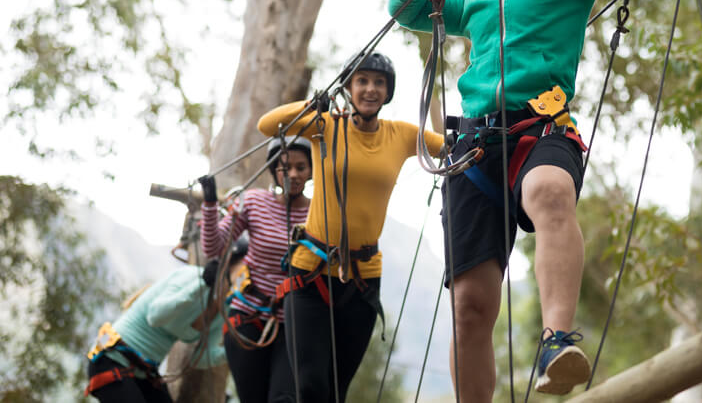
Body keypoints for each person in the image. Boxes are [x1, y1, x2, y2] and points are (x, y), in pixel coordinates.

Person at [388, 0, 700, 399]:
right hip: (474, 149)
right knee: (470, 307)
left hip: (541, 127)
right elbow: (407, 12)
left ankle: (557, 341)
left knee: (549, 192)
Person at [258, 52, 445, 402]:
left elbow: (450, 147)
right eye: (362, 81)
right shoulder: (325, 126)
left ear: (388, 91)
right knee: (311, 385)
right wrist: (313, 107)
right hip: (310, 272)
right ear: (347, 87)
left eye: (379, 82)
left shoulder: (401, 135)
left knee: (336, 390)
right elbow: (268, 125)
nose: (370, 89)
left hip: (362, 276)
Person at [196, 136, 311, 402]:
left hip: (294, 322)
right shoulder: (253, 202)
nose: (292, 174)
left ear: (311, 171)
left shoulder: (320, 211)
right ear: (273, 169)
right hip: (248, 315)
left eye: (301, 167)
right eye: (284, 167)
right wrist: (211, 205)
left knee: (284, 399)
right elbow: (214, 248)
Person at [85, 240, 247, 402]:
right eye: (247, 265)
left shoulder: (223, 309)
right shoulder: (190, 276)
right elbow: (155, 316)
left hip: (143, 371)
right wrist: (202, 286)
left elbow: (202, 357)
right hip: (111, 359)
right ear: (229, 263)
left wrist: (236, 348)